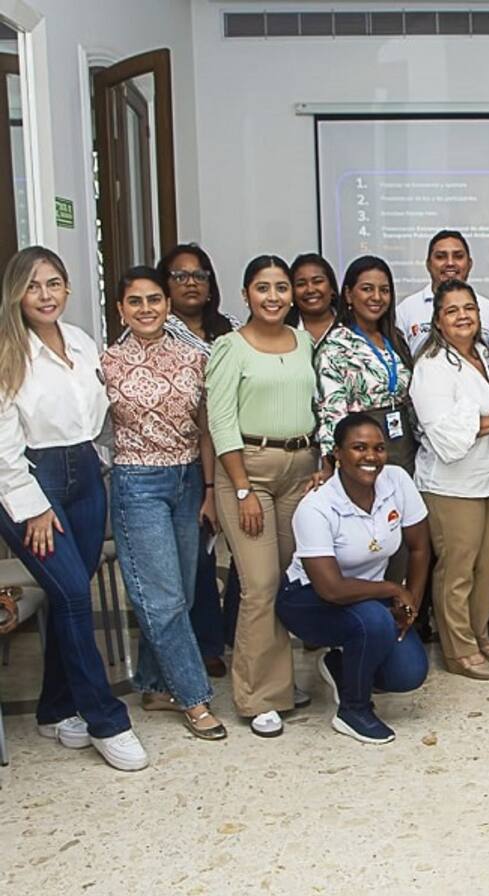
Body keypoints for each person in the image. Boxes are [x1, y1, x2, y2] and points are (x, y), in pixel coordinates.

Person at [0, 246, 147, 770]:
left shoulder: (81, 342)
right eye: (34, 285)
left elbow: (103, 411)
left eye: (55, 283)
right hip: (32, 484)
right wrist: (33, 508)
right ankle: (105, 718)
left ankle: (54, 708)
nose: (46, 295)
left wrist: (100, 459)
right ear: (17, 292)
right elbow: (3, 446)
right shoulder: (6, 352)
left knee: (70, 596)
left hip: (85, 475)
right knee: (73, 597)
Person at [101, 266, 225, 741]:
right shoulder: (106, 363)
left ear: (168, 305)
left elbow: (207, 428)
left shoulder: (195, 358)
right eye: (135, 301)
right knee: (163, 598)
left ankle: (153, 684)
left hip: (190, 479)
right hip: (138, 482)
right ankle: (195, 699)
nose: (147, 309)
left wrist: (211, 490)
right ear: (121, 309)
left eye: (154, 299)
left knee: (184, 594)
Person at [207, 254, 321, 737]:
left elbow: (317, 405)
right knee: (259, 582)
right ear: (245, 295)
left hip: (300, 470)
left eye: (280, 287)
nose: (273, 296)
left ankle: (277, 680)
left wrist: (321, 466)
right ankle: (258, 697)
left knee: (291, 576)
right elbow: (220, 421)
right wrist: (239, 488)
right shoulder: (230, 347)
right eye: (262, 288)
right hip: (247, 473)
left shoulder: (304, 342)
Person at [276, 413, 430, 744]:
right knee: (374, 620)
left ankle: (340, 666)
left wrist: (410, 603)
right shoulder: (316, 506)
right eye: (359, 448)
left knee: (408, 673)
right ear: (337, 455)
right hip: (308, 599)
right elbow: (330, 588)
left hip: (366, 596)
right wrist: (394, 589)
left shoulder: (397, 481)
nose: (371, 457)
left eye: (378, 448)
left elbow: (419, 548)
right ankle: (353, 710)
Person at [410, 279, 489, 680]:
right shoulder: (431, 368)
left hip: (488, 479)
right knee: (457, 568)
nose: (463, 316)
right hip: (450, 485)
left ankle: (478, 636)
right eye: (452, 310)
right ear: (437, 321)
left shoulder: (485, 357)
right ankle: (458, 650)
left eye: (468, 308)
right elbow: (442, 437)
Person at [158, 242, 240, 677]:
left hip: (238, 454)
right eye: (180, 276)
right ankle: (203, 644)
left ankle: (233, 634)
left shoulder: (232, 330)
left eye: (200, 275)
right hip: (184, 461)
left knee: (248, 555)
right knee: (199, 557)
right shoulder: (156, 331)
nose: (191, 283)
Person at [316, 255, 416, 474]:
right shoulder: (336, 345)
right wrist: (329, 463)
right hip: (362, 447)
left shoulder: (394, 338)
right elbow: (332, 410)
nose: (377, 297)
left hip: (404, 443)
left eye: (384, 290)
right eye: (367, 289)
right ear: (349, 294)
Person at [396, 230, 489, 356]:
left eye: (458, 256)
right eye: (440, 257)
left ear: (470, 264)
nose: (450, 263)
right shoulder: (405, 310)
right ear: (428, 264)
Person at [286, 252, 339, 348]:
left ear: (332, 288)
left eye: (317, 281)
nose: (310, 290)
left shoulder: (352, 328)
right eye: (301, 284)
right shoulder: (283, 330)